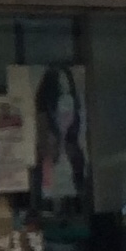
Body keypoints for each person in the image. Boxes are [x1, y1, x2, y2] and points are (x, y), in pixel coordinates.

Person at [34, 66, 87, 205]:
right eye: (62, 92)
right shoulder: (49, 151)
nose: (66, 109)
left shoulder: (74, 146)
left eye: (68, 92)